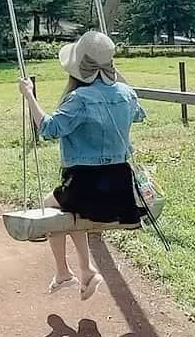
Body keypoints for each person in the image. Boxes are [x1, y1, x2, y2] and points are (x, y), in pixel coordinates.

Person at [18, 30, 147, 301]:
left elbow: (49, 129)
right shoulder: (125, 94)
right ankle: (86, 270)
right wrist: (116, 78)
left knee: (52, 206)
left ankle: (63, 272)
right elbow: (140, 114)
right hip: (120, 189)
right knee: (72, 211)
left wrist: (29, 95)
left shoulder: (80, 99)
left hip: (85, 186)